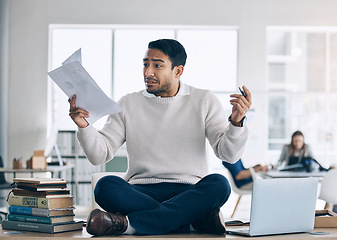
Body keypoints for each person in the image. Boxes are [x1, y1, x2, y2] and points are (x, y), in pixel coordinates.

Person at [68, 39, 252, 236]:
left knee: (220, 184)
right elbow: (100, 155)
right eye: (146, 64)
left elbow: (228, 155)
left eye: (157, 65)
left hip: (189, 190)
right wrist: (84, 126)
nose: (148, 72)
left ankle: (128, 225)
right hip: (140, 190)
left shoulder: (204, 100)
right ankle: (192, 221)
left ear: (178, 71)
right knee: (104, 187)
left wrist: (236, 123)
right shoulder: (128, 103)